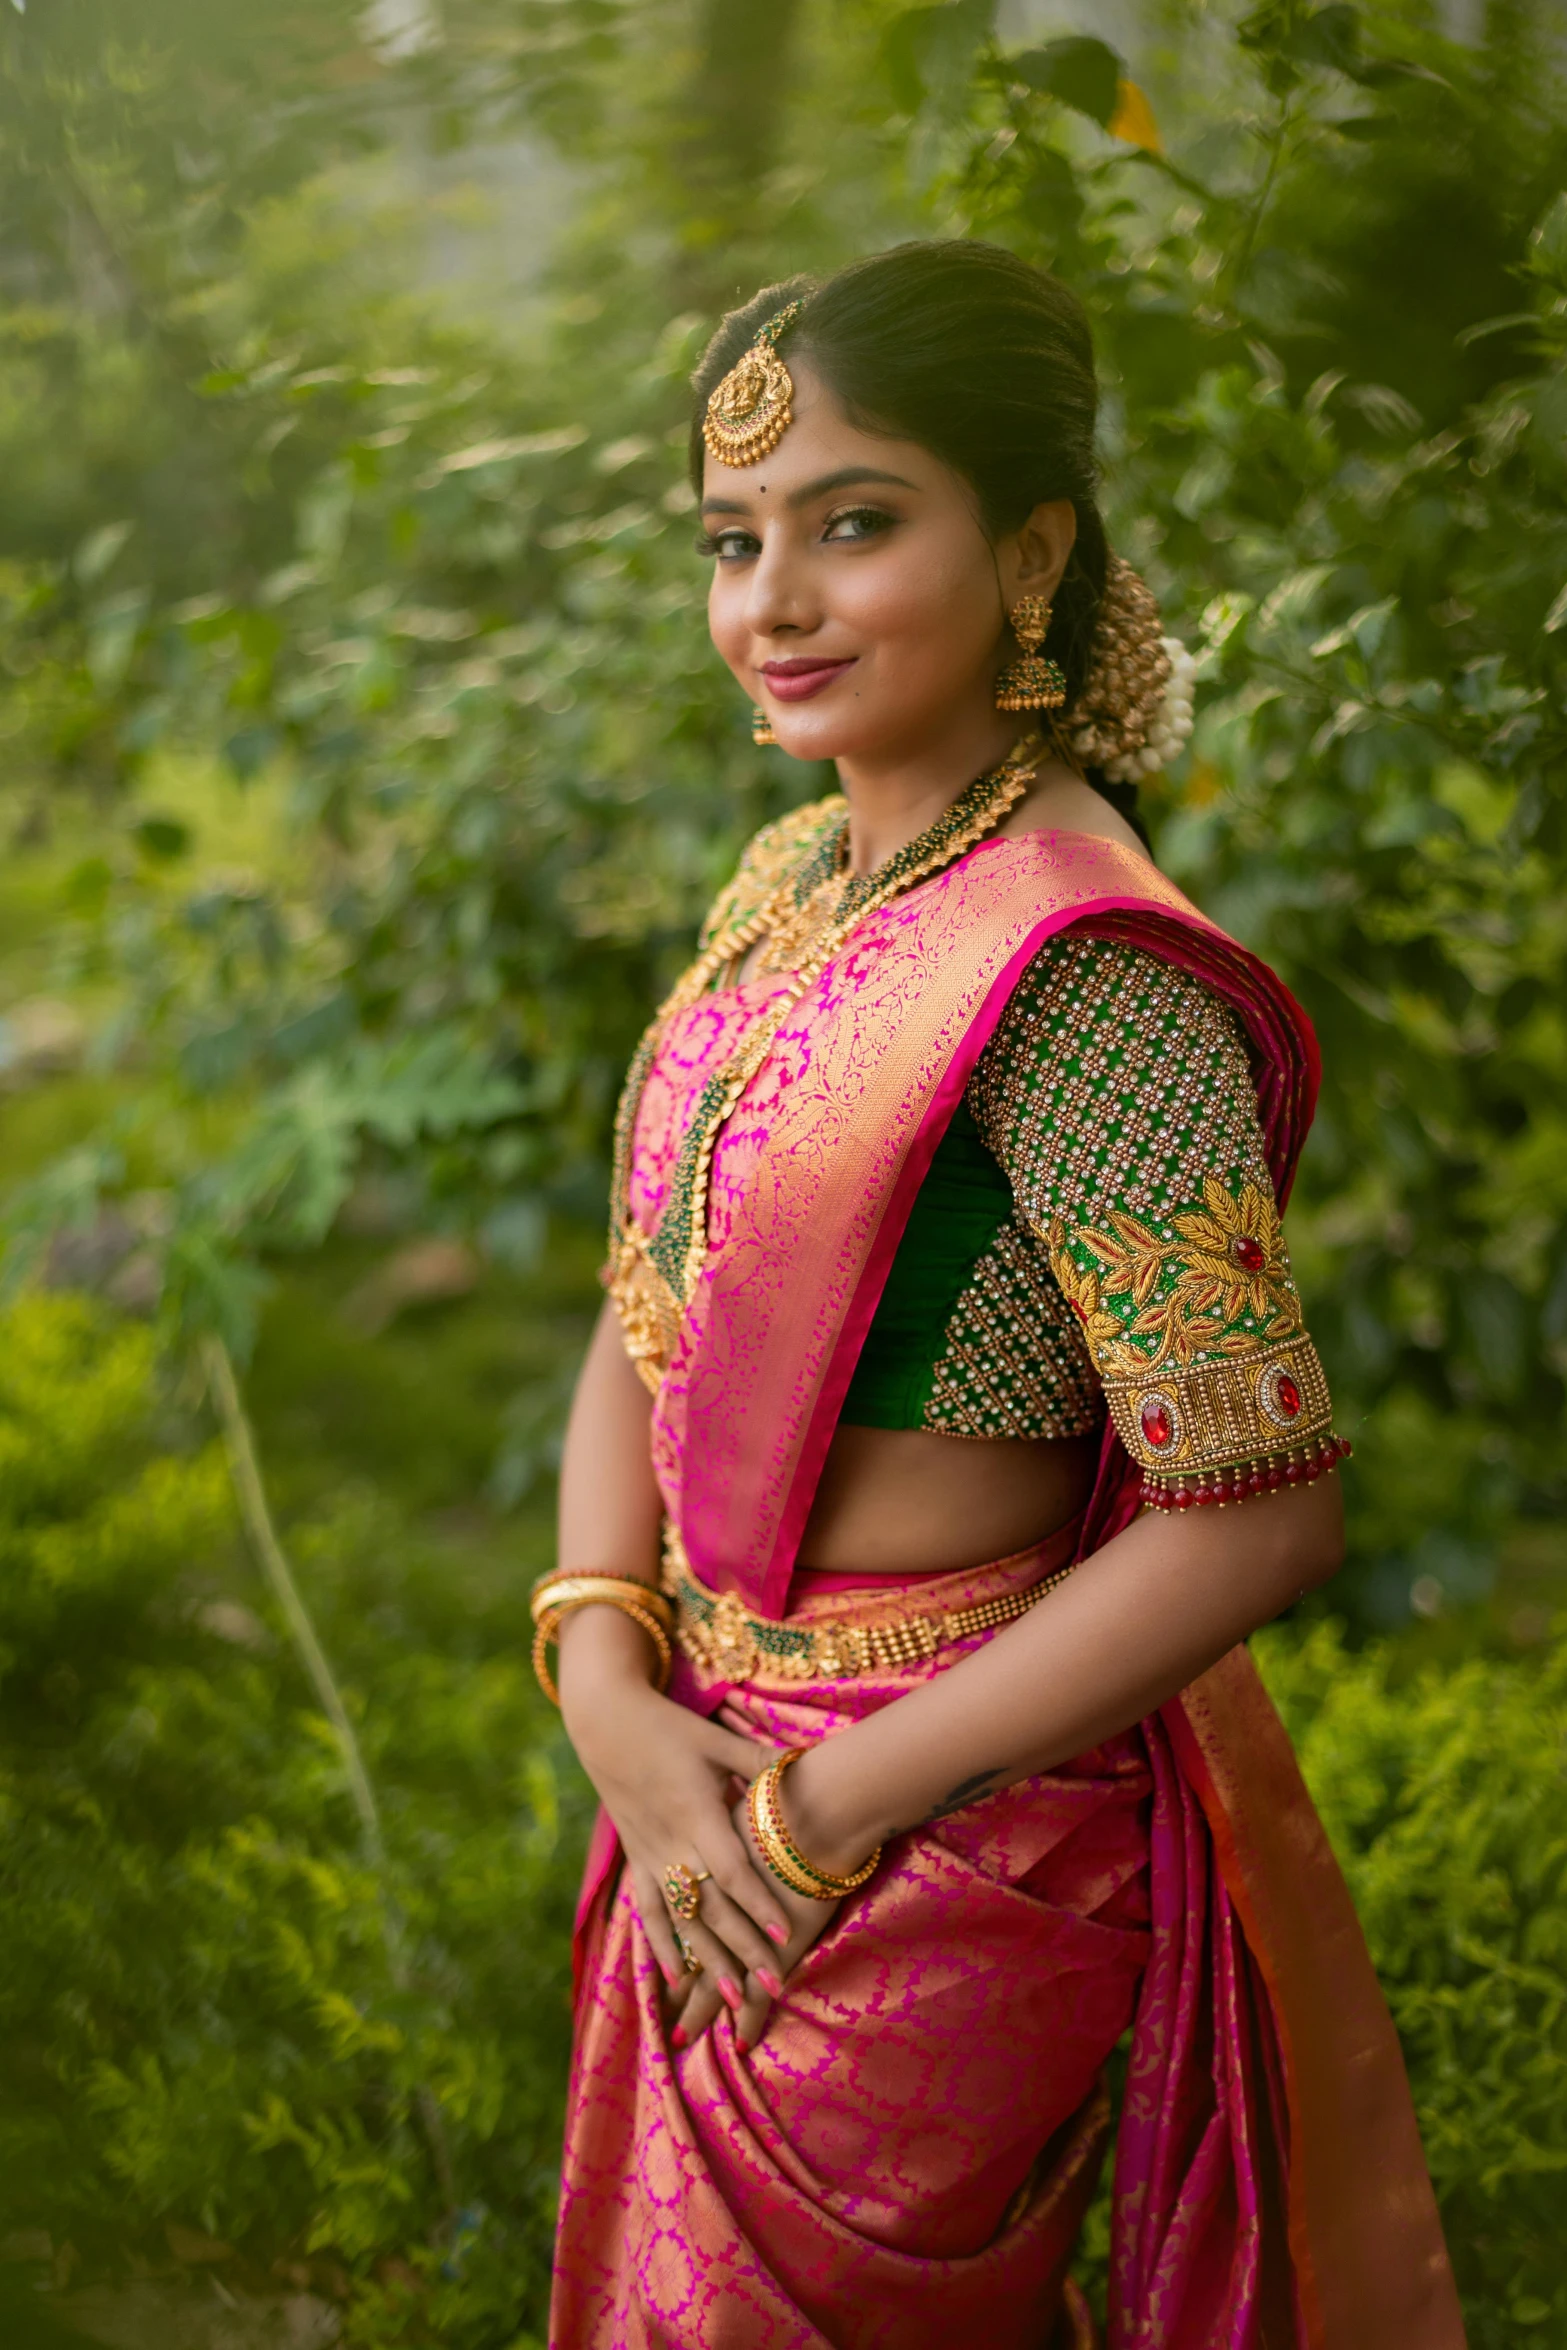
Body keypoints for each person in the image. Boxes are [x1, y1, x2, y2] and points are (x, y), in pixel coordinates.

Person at [535, 241, 1463, 2348]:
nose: (771, 600)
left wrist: (803, 1813)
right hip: (696, 1771)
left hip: (925, 1825)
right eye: (731, 538)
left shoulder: (1091, 980)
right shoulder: (786, 885)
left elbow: (1259, 1504)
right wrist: (610, 1690)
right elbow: (639, 1304)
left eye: (852, 523)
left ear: (1031, 547)